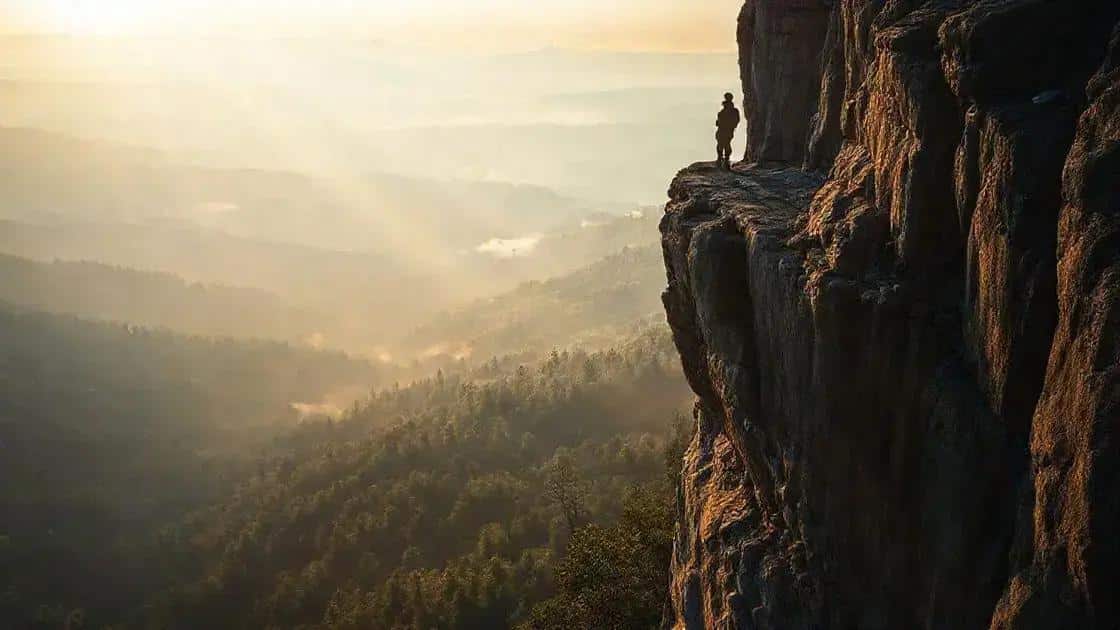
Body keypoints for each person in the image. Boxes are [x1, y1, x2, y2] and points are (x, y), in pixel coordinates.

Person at [715, 92, 740, 169]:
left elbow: (720, 121)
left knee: (722, 144)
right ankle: (725, 159)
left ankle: (721, 159)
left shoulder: (724, 111)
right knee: (726, 144)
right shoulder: (734, 111)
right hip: (728, 130)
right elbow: (736, 120)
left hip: (723, 129)